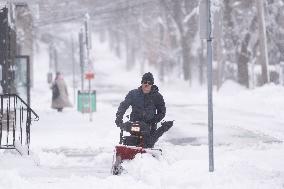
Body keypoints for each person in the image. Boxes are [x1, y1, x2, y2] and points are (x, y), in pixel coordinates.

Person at [115, 72, 173, 148]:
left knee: (148, 143)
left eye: (149, 83)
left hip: (150, 125)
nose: (147, 84)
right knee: (131, 139)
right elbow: (124, 105)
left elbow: (162, 112)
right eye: (145, 82)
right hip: (135, 123)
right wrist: (119, 118)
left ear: (152, 84)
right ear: (142, 83)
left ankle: (163, 128)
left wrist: (153, 120)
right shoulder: (133, 94)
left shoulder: (157, 97)